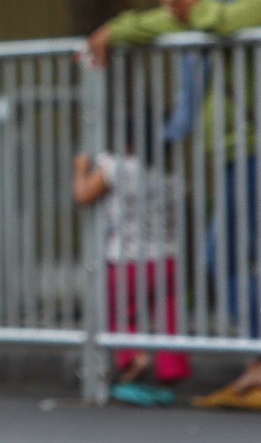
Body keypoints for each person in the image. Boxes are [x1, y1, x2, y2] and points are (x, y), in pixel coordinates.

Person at [87, 0, 261, 411]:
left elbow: (235, 18)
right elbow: (179, 21)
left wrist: (195, 11)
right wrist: (118, 29)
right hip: (241, 151)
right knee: (260, 258)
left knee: (235, 257)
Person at [74, 115, 192, 405]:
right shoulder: (171, 175)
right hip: (168, 260)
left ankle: (134, 357)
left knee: (121, 313)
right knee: (169, 318)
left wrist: (80, 169)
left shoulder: (118, 167)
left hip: (128, 259)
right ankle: (171, 368)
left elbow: (84, 195)